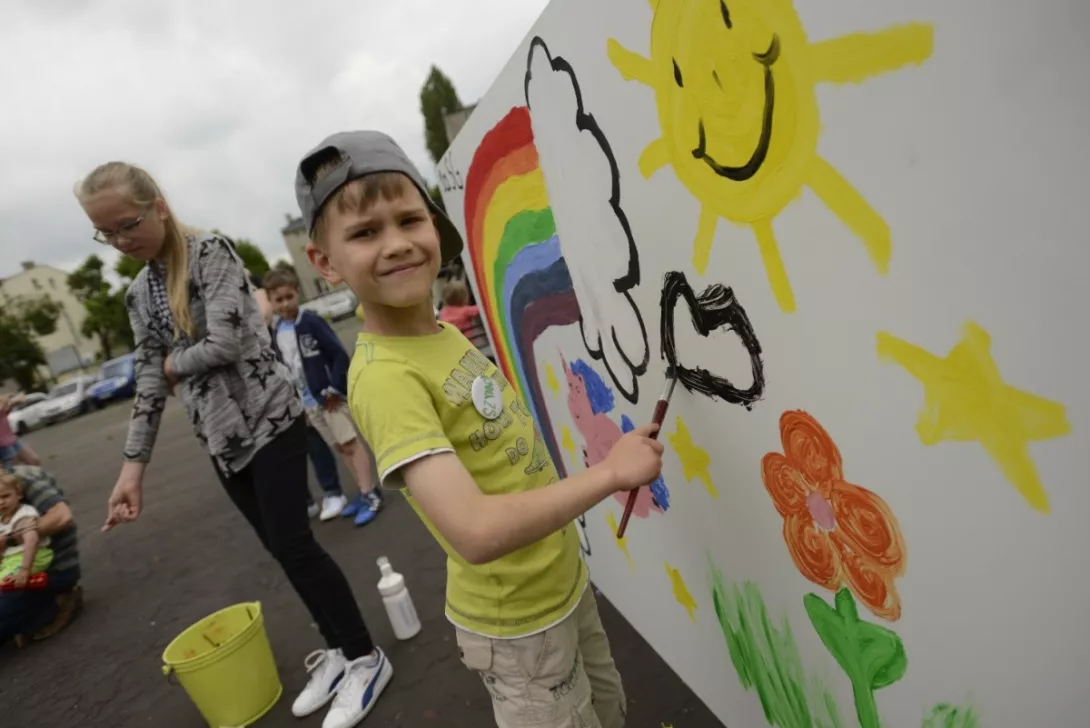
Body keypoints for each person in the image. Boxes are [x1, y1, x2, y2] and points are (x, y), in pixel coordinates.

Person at [295, 131, 664, 728]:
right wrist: (611, 473)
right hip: (520, 627)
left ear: (433, 227)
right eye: (365, 233)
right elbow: (475, 531)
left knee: (607, 709)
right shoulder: (385, 377)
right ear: (324, 263)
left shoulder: (442, 334)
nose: (396, 244)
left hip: (560, 584)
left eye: (409, 220)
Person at [76, 161, 390, 728]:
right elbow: (148, 382)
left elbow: (225, 344)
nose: (120, 241)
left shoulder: (210, 253)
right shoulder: (138, 294)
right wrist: (131, 470)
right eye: (106, 233)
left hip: (271, 421)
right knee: (282, 551)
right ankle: (338, 653)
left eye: (127, 225)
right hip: (221, 441)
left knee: (296, 546)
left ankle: (366, 656)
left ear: (158, 207)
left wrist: (171, 364)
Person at [264, 267, 383, 525]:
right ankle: (362, 490)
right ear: (270, 301)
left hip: (329, 399)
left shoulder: (311, 321)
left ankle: (371, 493)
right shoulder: (277, 331)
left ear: (298, 292)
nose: (284, 304)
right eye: (278, 300)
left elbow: (338, 354)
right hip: (307, 403)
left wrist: (334, 387)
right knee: (340, 447)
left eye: (289, 297)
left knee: (350, 443)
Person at [0, 464, 81, 647]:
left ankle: (53, 606)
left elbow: (62, 516)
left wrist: (11, 537)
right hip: (10, 567)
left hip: (48, 567)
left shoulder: (23, 478)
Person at [0, 471, 53, 589]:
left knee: (3, 583)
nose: (1, 502)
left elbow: (31, 540)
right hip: (11, 559)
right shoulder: (2, 518)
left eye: (5, 496)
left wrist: (25, 570)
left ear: (19, 494)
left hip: (33, 557)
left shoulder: (23, 515)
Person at [0, 394, 41, 467]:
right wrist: (11, 401)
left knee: (34, 461)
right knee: (15, 469)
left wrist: (14, 402)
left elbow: (5, 409)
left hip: (12, 439)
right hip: (3, 446)